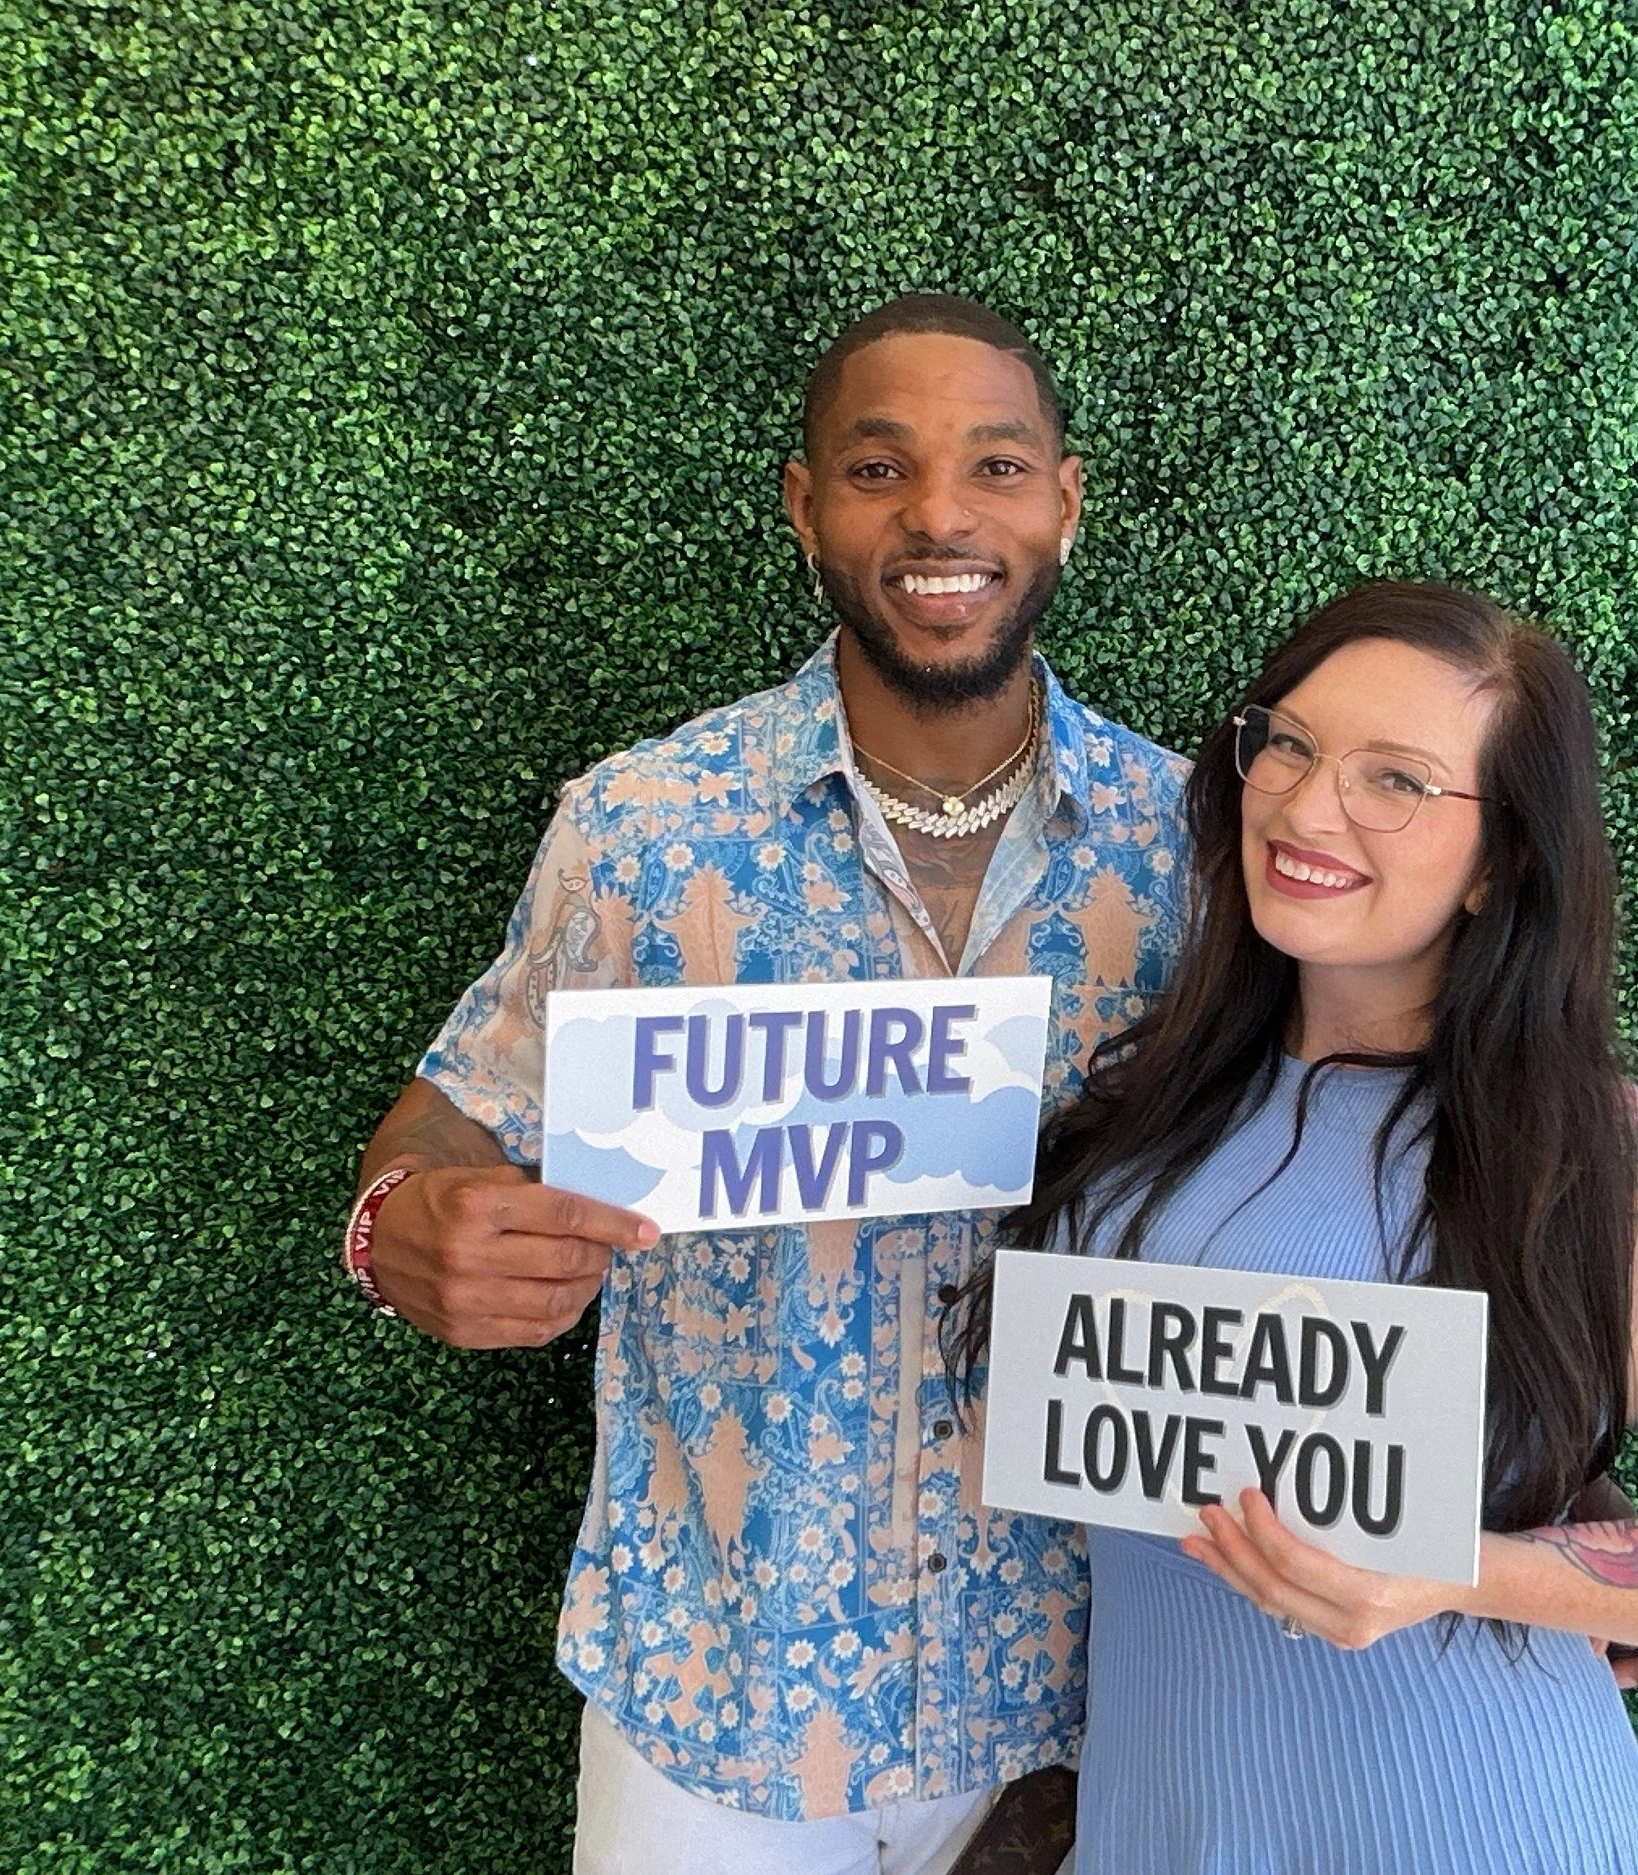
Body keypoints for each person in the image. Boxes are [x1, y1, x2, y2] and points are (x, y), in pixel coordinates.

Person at [343, 294, 1192, 1873]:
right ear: (806, 508)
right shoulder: (644, 826)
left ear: (1064, 498)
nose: (941, 515)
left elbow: (1363, 1181)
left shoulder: (1194, 848)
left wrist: (1491, 1501)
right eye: (881, 469)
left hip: (1091, 1718)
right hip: (709, 1713)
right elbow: (455, 1111)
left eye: (994, 466)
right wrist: (400, 1219)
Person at [967, 581, 1638, 1873]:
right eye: (1286, 742)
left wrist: (1468, 1568)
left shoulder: (1589, 1154)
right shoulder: (1150, 1105)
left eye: (1396, 780)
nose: (1305, 806)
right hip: (1172, 1823)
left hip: (1481, 1823)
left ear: (1503, 860)